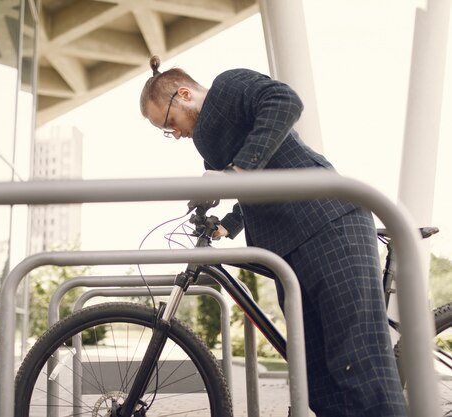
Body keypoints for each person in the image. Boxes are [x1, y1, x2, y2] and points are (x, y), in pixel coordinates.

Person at [139, 55, 407, 417]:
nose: (176, 134)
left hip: (329, 222)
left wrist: (237, 171)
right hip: (288, 249)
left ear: (183, 94)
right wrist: (227, 224)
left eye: (170, 124)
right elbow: (254, 183)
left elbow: (285, 101)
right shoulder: (207, 143)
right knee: (317, 379)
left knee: (359, 364)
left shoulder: (228, 85)